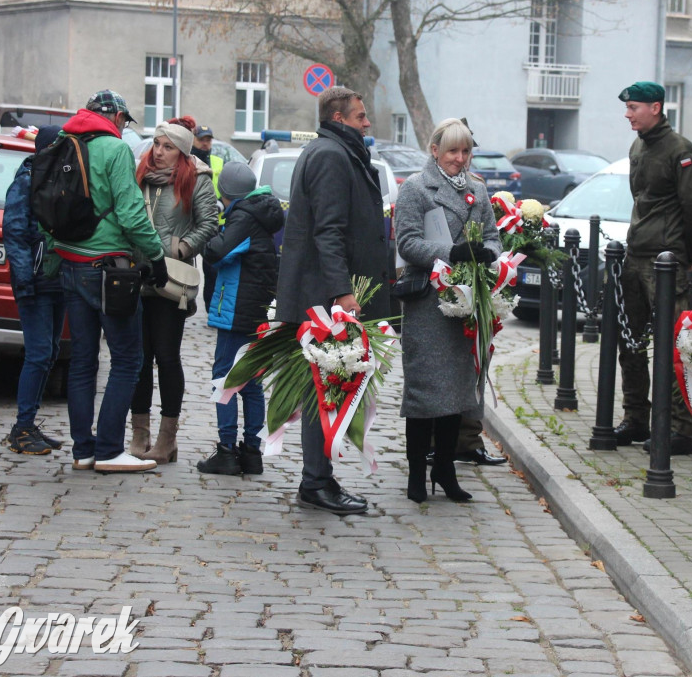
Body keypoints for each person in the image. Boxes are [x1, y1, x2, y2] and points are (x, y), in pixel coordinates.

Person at [275, 86, 390, 514]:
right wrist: (344, 291)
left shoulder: (338, 151)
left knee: (326, 387)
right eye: (361, 117)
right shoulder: (329, 155)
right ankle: (315, 482)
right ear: (339, 118)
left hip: (326, 292)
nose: (367, 123)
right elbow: (328, 230)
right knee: (321, 389)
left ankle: (318, 479)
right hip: (324, 296)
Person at [55, 90, 167, 473]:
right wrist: (155, 257)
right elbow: (133, 216)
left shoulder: (62, 142)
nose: (123, 127)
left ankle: (82, 451)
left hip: (69, 263)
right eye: (124, 120)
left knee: (83, 361)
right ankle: (108, 450)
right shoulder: (115, 150)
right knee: (127, 359)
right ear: (117, 117)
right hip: (107, 269)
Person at [394, 117, 502, 504]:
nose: (460, 158)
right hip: (427, 304)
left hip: (466, 303)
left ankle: (444, 468)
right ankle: (416, 476)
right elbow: (407, 243)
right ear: (435, 151)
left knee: (457, 391)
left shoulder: (477, 190)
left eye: (466, 151)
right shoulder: (416, 188)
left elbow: (493, 235)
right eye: (453, 151)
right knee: (425, 393)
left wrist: (490, 255)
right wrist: (451, 253)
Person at [614, 81, 692, 454]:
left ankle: (680, 431)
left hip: (667, 261)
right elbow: (641, 200)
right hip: (636, 254)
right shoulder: (638, 146)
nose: (628, 114)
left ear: (656, 107)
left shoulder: (680, 150)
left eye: (634, 107)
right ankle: (636, 419)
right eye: (627, 107)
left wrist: (689, 254)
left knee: (674, 346)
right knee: (629, 342)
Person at [129, 117, 219, 465]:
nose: (159, 152)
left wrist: (181, 248)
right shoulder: (140, 177)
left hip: (171, 280)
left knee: (166, 356)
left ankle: (167, 439)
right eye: (156, 144)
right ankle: (140, 433)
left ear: (181, 152)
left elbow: (209, 223)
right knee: (139, 358)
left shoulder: (196, 180)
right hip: (138, 276)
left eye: (167, 147)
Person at [197, 162, 284, 476]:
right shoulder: (260, 214)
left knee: (225, 378)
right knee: (252, 381)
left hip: (236, 311)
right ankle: (251, 451)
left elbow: (219, 251)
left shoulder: (242, 216)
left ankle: (226, 451)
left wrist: (209, 239)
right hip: (257, 309)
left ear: (226, 192)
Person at [2, 125, 67, 456]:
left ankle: (28, 424)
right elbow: (13, 231)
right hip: (36, 281)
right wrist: (25, 280)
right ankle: (22, 427)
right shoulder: (28, 178)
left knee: (50, 352)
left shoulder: (61, 179)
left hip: (57, 280)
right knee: (39, 353)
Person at [192, 124, 224, 306]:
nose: (205, 143)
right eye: (201, 139)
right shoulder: (187, 160)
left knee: (212, 268)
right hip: (190, 222)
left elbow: (225, 187)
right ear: (194, 140)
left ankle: (211, 306)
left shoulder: (218, 162)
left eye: (208, 140)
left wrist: (220, 202)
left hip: (215, 223)